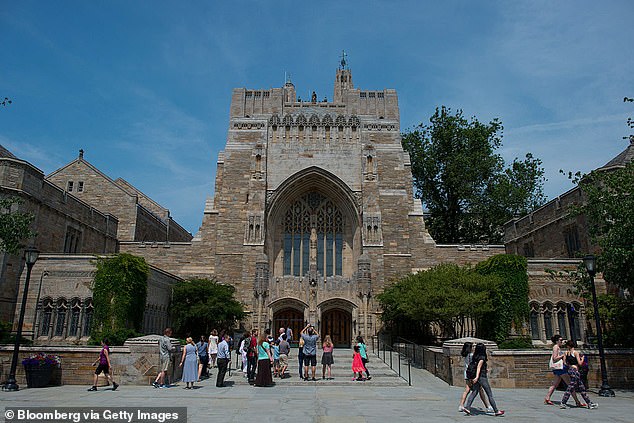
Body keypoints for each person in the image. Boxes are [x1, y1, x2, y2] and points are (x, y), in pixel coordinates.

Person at [463, 343, 504, 416]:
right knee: (489, 394)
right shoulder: (482, 357)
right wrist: (477, 377)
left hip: (477, 377)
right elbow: (478, 367)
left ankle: (467, 407)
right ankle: (496, 411)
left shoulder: (475, 356)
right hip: (481, 377)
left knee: (474, 392)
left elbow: (478, 367)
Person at [544, 334, 582, 406]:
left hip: (558, 369)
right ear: (557, 341)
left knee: (555, 384)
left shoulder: (557, 347)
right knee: (570, 384)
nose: (562, 341)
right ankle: (577, 401)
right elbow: (554, 358)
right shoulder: (556, 347)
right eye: (560, 340)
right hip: (560, 369)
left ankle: (547, 398)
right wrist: (563, 355)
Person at [560, 340, 598, 409]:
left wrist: (569, 365)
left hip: (570, 370)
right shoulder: (575, 353)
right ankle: (563, 402)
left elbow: (565, 362)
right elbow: (580, 363)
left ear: (568, 346)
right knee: (571, 387)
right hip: (575, 370)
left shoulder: (566, 353)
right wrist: (582, 358)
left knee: (581, 387)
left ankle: (589, 403)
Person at [458, 342, 491, 413]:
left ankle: (461, 405)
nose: (473, 348)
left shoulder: (465, 355)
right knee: (480, 390)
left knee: (467, 390)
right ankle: (488, 406)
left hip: (467, 373)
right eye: (472, 347)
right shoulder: (472, 355)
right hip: (473, 374)